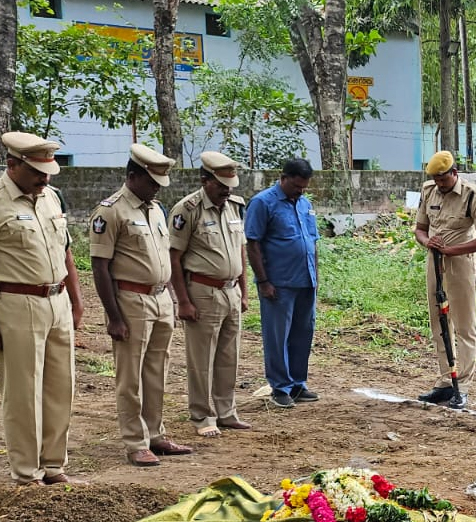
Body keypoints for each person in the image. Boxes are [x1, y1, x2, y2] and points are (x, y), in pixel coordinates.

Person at [0, 131, 85, 486]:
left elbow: (66, 251)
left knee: (61, 388)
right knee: (24, 393)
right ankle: (27, 473)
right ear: (12, 165)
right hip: (15, 304)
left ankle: (54, 465)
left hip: (56, 301)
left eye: (48, 172)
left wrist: (76, 300)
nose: (44, 179)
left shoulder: (51, 198)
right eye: (37, 172)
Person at [90, 144, 191, 468]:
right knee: (130, 377)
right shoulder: (111, 211)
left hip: (160, 298)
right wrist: (113, 316)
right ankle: (135, 441)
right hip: (130, 300)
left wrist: (172, 297)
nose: (156, 189)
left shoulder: (156, 209)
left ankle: (155, 434)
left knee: (156, 371)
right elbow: (100, 266)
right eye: (151, 182)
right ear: (133, 176)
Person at [168, 151, 252, 438]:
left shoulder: (234, 207)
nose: (226, 192)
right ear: (205, 181)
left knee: (230, 356)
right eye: (221, 186)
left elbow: (240, 251)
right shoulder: (187, 210)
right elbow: (174, 257)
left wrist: (244, 290)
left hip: (230, 290)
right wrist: (183, 300)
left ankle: (227, 412)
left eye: (230, 187)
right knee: (201, 358)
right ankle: (203, 415)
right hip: (202, 291)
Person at [415, 150, 476, 409]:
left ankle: (464, 385)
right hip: (435, 263)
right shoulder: (428, 192)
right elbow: (420, 229)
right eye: (436, 180)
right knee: (438, 322)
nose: (440, 185)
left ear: (454, 174)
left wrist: (451, 250)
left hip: (461, 263)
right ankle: (446, 381)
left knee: (464, 326)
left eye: (444, 180)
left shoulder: (472, 195)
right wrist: (429, 242)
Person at [245, 157, 321, 409]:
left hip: (305, 280)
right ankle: (280, 386)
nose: (300, 191)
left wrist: (316, 277)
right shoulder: (262, 203)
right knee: (277, 336)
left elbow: (313, 241)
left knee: (303, 333)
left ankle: (298, 383)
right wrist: (263, 281)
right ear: (283, 178)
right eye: (297, 186)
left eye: (304, 187)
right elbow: (253, 243)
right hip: (279, 282)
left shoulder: (305, 204)